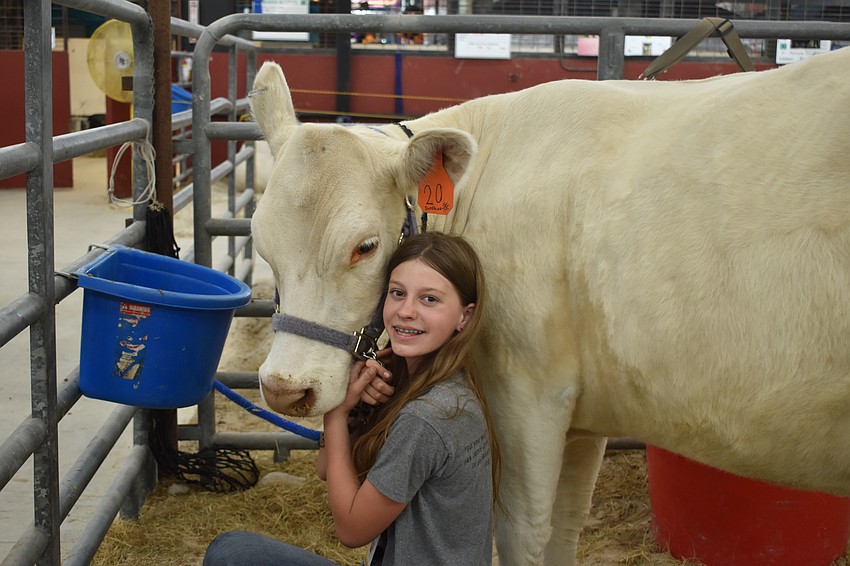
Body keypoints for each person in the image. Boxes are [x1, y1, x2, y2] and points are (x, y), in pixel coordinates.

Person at [204, 232, 501, 566]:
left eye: (429, 299)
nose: (406, 311)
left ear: (465, 316)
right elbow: (327, 469)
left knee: (230, 555)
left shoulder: (428, 417)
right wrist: (358, 408)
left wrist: (335, 410)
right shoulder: (444, 385)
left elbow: (351, 530)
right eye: (398, 293)